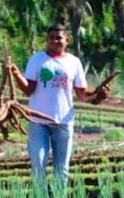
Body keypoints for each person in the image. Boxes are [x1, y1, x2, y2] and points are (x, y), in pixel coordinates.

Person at [6, 23, 110, 188]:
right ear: (47, 40)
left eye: (59, 38)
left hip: (63, 121)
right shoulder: (37, 59)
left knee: (61, 168)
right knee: (38, 162)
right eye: (51, 38)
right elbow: (28, 90)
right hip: (38, 121)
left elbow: (82, 95)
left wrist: (98, 95)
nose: (55, 41)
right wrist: (16, 73)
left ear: (66, 40)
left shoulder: (73, 62)